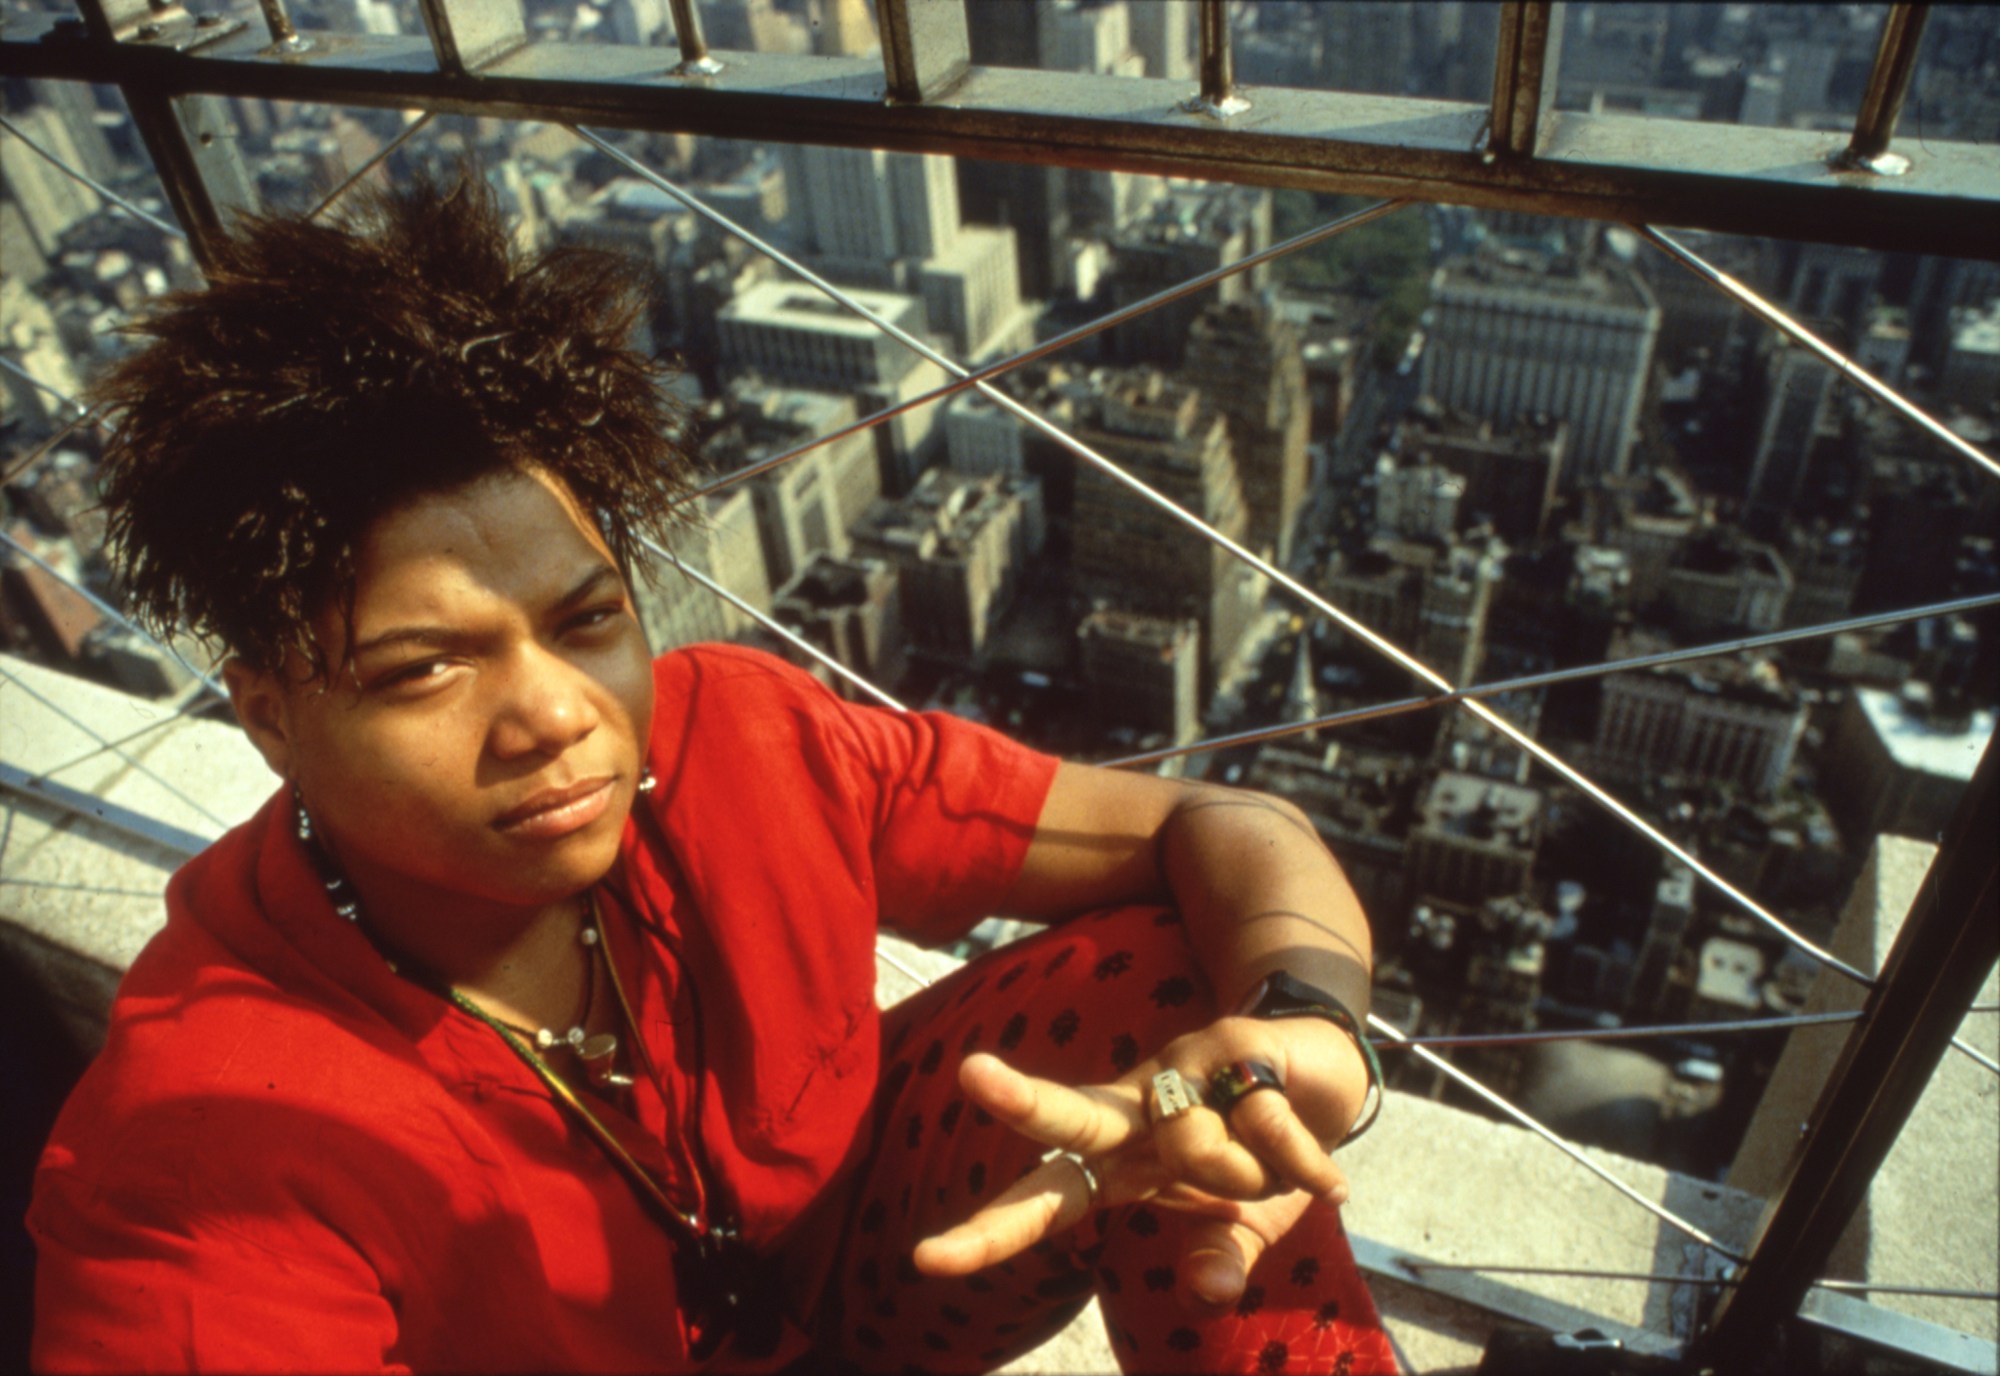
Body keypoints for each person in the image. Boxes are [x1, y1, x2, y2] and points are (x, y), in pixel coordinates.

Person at [28, 170, 1396, 1375]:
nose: (554, 719)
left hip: (861, 1275)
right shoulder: (202, 1158)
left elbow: (1215, 825)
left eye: (586, 621)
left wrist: (1306, 1027)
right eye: (422, 670)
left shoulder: (737, 740)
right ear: (268, 719)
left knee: (1174, 1030)